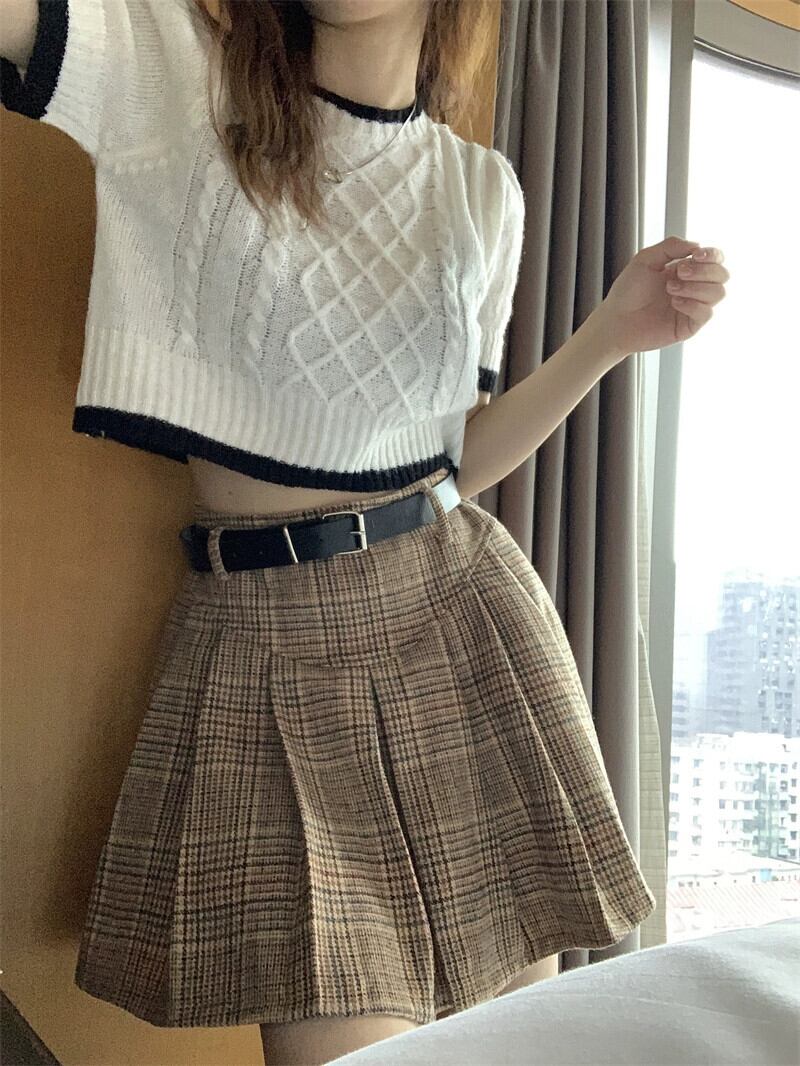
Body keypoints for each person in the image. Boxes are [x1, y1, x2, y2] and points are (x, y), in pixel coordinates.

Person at [0, 1, 728, 1063]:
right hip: (266, 641)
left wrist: (611, 334)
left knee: (519, 1045)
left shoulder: (482, 190)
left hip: (455, 617)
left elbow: (453, 458)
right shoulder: (181, 79)